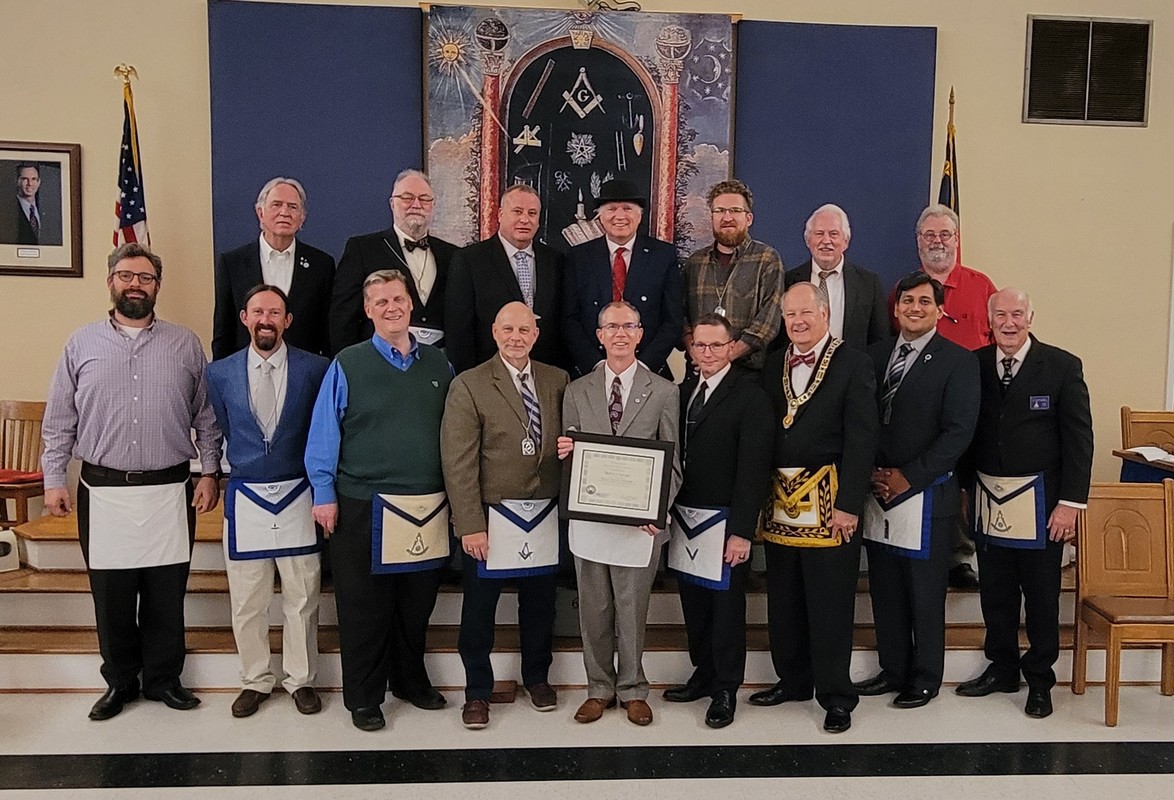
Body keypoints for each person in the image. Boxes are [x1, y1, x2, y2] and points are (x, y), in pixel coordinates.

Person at [40, 243, 222, 721]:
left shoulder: (185, 344)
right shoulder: (81, 344)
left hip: (169, 488)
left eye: (145, 277)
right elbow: (59, 420)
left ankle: (163, 679)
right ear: (111, 282)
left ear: (157, 286)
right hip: (103, 491)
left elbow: (206, 417)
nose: (135, 285)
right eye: (126, 276)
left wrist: (210, 472)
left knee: (166, 593)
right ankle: (120, 681)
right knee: (112, 596)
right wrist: (53, 479)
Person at [306, 269, 453, 731]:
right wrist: (324, 493)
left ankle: (410, 681)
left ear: (411, 304)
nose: (392, 307)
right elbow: (324, 433)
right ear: (368, 310)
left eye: (398, 298)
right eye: (381, 302)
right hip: (362, 503)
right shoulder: (348, 364)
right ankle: (365, 697)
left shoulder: (440, 365)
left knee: (416, 606)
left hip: (426, 505)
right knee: (363, 608)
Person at [955, 287, 1092, 719]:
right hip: (987, 499)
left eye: (1017, 314)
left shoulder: (1062, 366)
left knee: (1041, 596)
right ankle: (1002, 668)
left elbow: (1079, 441)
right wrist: (964, 489)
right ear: (989, 320)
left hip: (1043, 506)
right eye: (1000, 315)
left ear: (1031, 318)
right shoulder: (974, 365)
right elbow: (966, 433)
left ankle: (1039, 680)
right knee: (995, 592)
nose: (1009, 323)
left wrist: (1071, 504)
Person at [747, 283, 878, 734]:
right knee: (784, 599)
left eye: (806, 313)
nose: (798, 322)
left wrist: (849, 505)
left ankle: (837, 696)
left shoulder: (854, 363)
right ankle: (793, 680)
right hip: (781, 500)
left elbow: (862, 437)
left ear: (825, 313)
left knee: (830, 603)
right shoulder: (773, 364)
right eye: (790, 315)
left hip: (830, 500)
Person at [853, 272, 979, 709]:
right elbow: (860, 419)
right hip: (878, 491)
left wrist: (910, 476)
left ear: (940, 310)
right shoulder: (873, 356)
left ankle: (925, 677)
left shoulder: (959, 361)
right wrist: (871, 471)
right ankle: (892, 669)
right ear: (896, 308)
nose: (915, 308)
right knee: (886, 590)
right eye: (907, 301)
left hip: (926, 494)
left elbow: (958, 432)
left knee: (924, 595)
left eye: (925, 301)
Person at [441, 302, 569, 729]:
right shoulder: (470, 384)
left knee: (541, 605)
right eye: (508, 329)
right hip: (492, 518)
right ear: (495, 332)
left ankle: (538, 678)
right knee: (480, 609)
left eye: (525, 330)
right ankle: (477, 690)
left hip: (544, 513)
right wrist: (469, 525)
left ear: (536, 335)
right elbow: (458, 463)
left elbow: (571, 436)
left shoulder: (557, 380)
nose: (517, 338)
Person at [206, 284, 330, 718]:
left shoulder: (316, 369)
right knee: (247, 599)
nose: (266, 319)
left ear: (287, 320)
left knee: (302, 595)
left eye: (275, 312)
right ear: (244, 318)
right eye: (258, 311)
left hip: (298, 491)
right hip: (246, 495)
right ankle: (255, 679)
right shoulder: (219, 373)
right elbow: (220, 426)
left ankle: (301, 679)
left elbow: (323, 428)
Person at [557, 301, 681, 726]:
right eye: (612, 326)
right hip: (591, 521)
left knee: (632, 610)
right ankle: (598, 688)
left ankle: (632, 689)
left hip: (639, 525)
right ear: (599, 335)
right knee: (593, 609)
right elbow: (569, 457)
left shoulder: (664, 391)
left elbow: (673, 464)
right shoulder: (576, 390)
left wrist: (658, 509)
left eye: (629, 326)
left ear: (641, 334)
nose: (620, 334)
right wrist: (566, 453)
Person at [662, 313, 772, 728]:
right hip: (684, 517)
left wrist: (742, 532)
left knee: (726, 609)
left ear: (731, 348)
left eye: (716, 345)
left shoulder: (751, 397)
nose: (707, 353)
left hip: (725, 522)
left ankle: (726, 687)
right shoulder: (680, 392)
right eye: (700, 345)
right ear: (690, 349)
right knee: (694, 603)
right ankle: (703, 673)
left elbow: (753, 471)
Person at [909, 203, 998, 590]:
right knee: (929, 475)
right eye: (929, 235)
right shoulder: (906, 289)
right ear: (918, 242)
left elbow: (1000, 339)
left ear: (957, 240)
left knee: (965, 480)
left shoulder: (981, 286)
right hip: (920, 406)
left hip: (973, 403)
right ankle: (926, 552)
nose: (937, 241)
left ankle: (962, 558)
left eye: (945, 234)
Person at [563, 179, 683, 379]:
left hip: (649, 372)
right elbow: (569, 319)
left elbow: (673, 320)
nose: (619, 216)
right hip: (591, 373)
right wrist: (595, 365)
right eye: (611, 209)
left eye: (627, 209)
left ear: (639, 215)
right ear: (600, 217)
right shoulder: (579, 257)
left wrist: (644, 366)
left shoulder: (663, 256)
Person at [329, 170, 457, 354]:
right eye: (407, 198)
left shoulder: (453, 255)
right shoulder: (363, 249)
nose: (416, 205)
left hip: (438, 361)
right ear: (392, 204)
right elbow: (343, 315)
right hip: (377, 359)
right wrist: (349, 361)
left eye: (424, 199)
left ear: (433, 205)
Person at [445, 185, 566, 373]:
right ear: (500, 215)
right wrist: (471, 380)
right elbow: (459, 331)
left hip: (544, 377)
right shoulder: (470, 260)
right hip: (489, 376)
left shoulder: (556, 261)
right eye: (517, 211)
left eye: (532, 213)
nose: (525, 219)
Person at [212, 178, 335, 359]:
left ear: (302, 218)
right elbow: (223, 330)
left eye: (293, 207)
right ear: (260, 213)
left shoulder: (321, 264)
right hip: (247, 368)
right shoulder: (232, 263)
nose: (284, 212)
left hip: (304, 370)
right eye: (276, 205)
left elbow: (327, 332)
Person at [682, 180, 783, 371]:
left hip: (747, 372)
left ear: (749, 218)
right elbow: (682, 317)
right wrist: (697, 352)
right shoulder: (695, 262)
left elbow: (768, 322)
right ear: (712, 217)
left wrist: (725, 357)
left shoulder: (767, 259)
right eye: (720, 211)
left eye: (735, 210)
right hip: (699, 371)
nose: (727, 217)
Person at [782, 204, 887, 351]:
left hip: (852, 365)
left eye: (833, 234)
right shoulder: (788, 281)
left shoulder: (869, 283)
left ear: (846, 241)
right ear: (808, 241)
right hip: (801, 364)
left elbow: (880, 339)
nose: (826, 240)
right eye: (819, 233)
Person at [2, 162, 62, 246]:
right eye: (25, 179)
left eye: (33, 179)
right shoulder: (6, 212)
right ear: (17, 181)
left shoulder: (49, 211)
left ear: (39, 182)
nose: (30, 183)